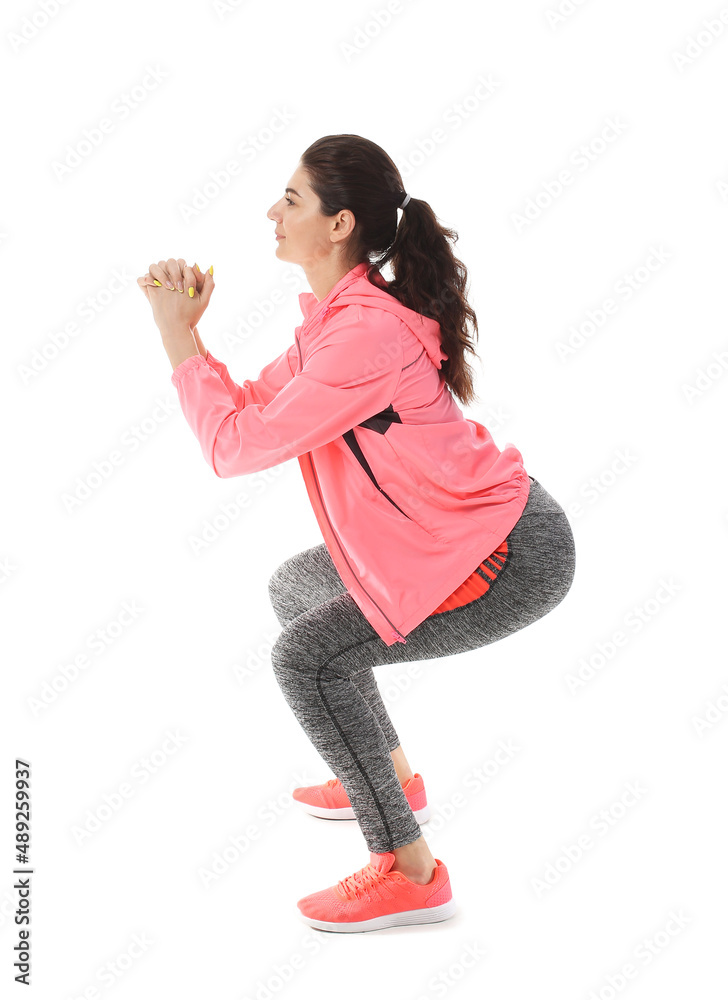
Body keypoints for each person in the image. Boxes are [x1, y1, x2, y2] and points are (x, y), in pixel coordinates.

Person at [137, 134, 576, 934]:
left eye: (292, 200)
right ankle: (390, 777)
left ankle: (410, 869)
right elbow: (246, 416)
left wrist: (173, 338)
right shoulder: (338, 322)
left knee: (306, 658)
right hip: (462, 539)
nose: (273, 212)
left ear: (339, 226)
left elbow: (232, 450)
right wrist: (192, 336)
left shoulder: (361, 338)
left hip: (504, 556)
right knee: (297, 588)